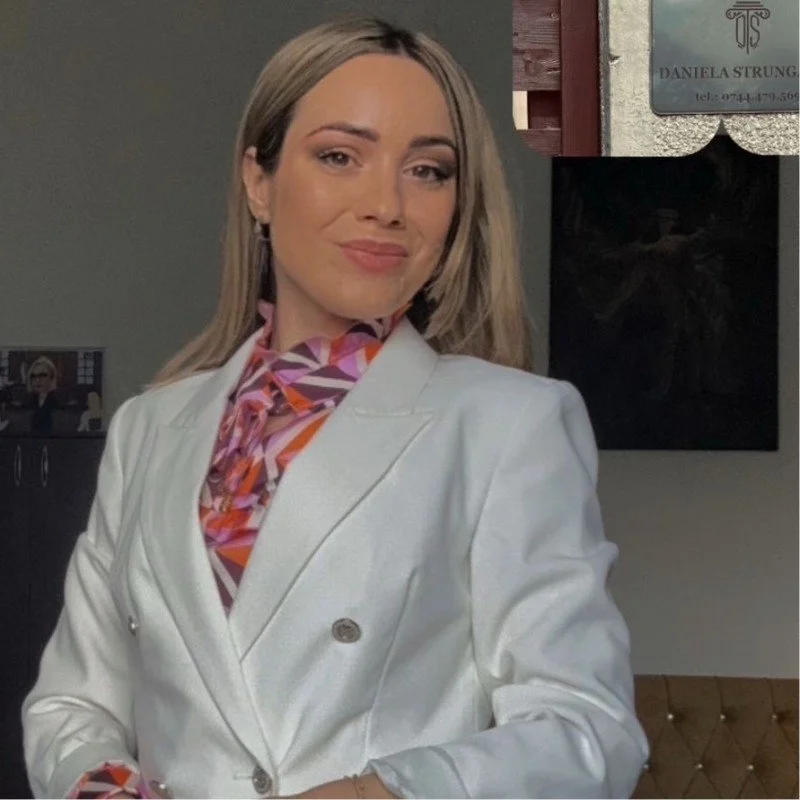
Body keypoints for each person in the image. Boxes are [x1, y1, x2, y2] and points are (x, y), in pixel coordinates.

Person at [22, 16, 648, 799]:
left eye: (428, 171)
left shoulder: (509, 425)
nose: (387, 204)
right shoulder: (149, 430)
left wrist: (376, 794)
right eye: (340, 156)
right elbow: (71, 706)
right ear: (259, 181)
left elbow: (589, 731)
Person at [26, 356, 60, 433]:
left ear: (52, 378)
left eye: (43, 376)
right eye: (34, 376)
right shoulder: (28, 401)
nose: (37, 380)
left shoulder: (58, 401)